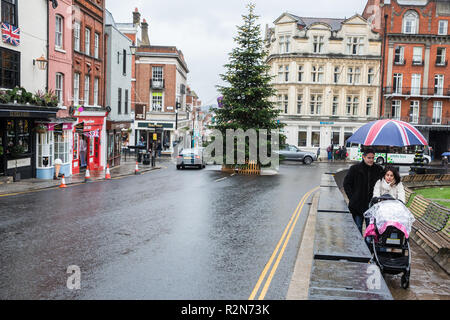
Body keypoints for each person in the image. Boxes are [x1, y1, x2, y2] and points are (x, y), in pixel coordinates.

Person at [343, 148, 384, 235]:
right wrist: (352, 198)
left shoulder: (378, 169)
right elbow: (346, 184)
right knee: (357, 230)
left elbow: (384, 184)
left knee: (371, 231)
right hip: (357, 206)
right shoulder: (355, 169)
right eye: (369, 158)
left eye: (373, 158)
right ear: (363, 157)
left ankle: (368, 248)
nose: (371, 160)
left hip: (372, 206)